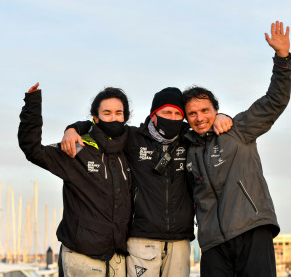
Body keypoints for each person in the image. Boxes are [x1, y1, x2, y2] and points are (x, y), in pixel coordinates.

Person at [61, 87, 232, 277]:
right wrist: (74, 128)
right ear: (154, 115)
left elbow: (205, 121)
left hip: (180, 238)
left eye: (178, 114)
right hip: (141, 238)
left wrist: (220, 116)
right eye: (167, 112)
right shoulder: (132, 137)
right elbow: (105, 126)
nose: (173, 117)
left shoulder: (189, 138)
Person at [182, 21, 290, 277]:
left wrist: (283, 58)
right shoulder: (186, 150)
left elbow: (274, 101)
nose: (199, 118)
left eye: (205, 111)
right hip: (212, 243)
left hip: (251, 229)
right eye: (192, 114)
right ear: (186, 118)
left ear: (215, 110)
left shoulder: (237, 129)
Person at [18, 84, 132, 277]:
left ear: (125, 117)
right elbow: (33, 150)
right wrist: (32, 105)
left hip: (118, 258)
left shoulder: (129, 148)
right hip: (81, 257)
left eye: (118, 113)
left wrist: (75, 126)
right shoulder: (78, 149)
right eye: (107, 113)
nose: (113, 118)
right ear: (96, 118)